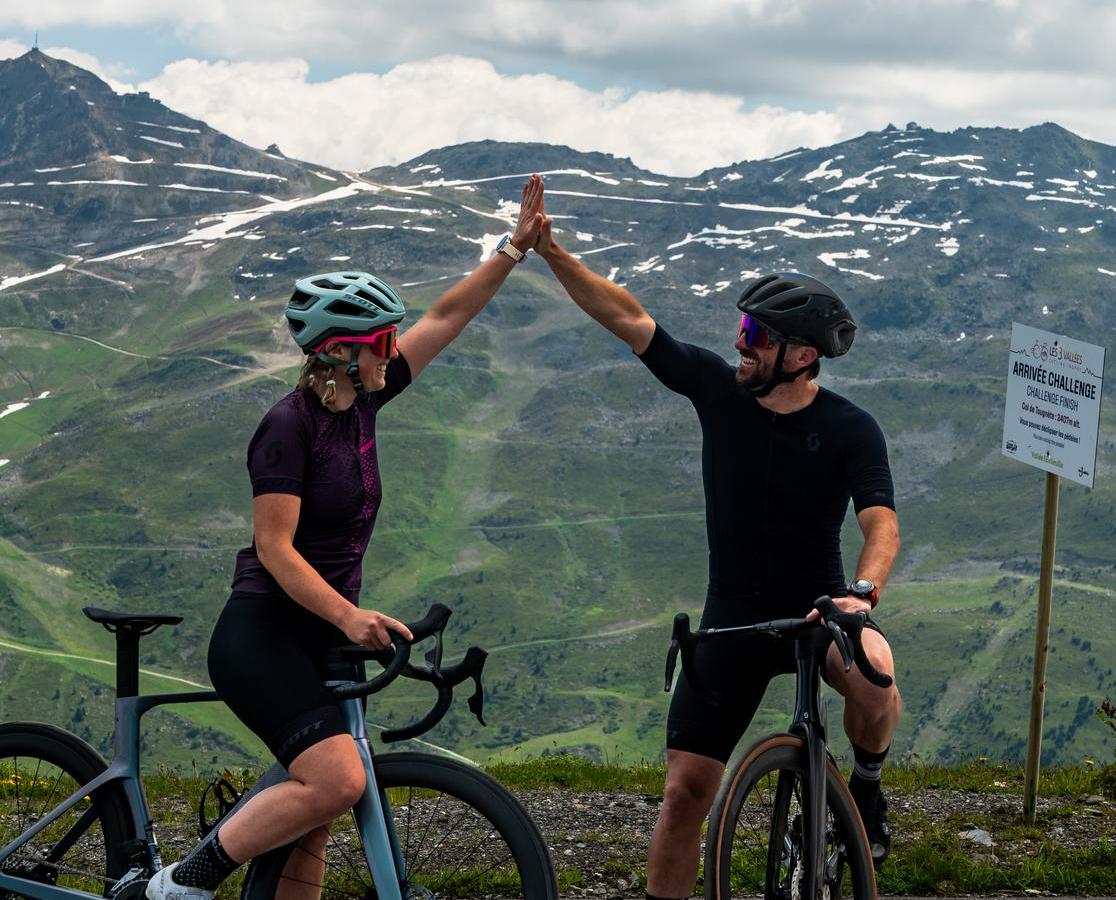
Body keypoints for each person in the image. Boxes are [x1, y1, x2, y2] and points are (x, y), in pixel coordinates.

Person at [147, 176, 545, 900]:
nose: (393, 351)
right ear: (337, 353)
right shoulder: (288, 426)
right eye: (380, 342)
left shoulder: (366, 398)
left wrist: (514, 249)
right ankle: (181, 884)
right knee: (337, 778)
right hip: (262, 635)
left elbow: (449, 316)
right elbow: (275, 550)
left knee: (320, 813)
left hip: (318, 635)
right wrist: (349, 615)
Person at [530, 187, 902, 896]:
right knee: (683, 797)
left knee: (876, 669)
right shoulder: (720, 393)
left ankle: (867, 790)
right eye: (741, 326)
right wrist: (552, 254)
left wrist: (861, 596)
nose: (740, 342)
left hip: (820, 607)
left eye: (756, 336)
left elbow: (879, 522)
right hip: (731, 617)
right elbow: (630, 320)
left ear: (801, 357)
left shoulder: (853, 428)